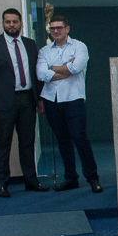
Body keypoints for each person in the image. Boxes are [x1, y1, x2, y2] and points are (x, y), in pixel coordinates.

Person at [0, 8, 49, 197]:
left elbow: (36, 75)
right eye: (8, 22)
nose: (11, 25)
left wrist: (40, 98)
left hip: (27, 100)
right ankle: (1, 184)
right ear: (2, 23)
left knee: (27, 143)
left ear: (21, 23)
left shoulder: (30, 44)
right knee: (3, 144)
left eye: (15, 22)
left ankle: (31, 181)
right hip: (3, 103)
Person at [35, 15, 102, 193]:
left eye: (59, 27)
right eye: (52, 28)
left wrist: (53, 68)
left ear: (67, 29)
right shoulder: (44, 51)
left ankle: (93, 178)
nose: (56, 31)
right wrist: (64, 68)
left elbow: (76, 68)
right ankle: (71, 178)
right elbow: (41, 74)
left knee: (80, 139)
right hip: (51, 100)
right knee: (63, 141)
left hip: (73, 99)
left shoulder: (80, 46)